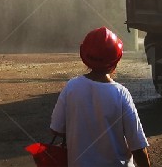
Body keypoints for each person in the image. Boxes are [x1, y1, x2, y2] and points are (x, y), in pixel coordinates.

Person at [50, 27, 151, 167]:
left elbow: (56, 129)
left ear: (84, 57)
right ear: (116, 61)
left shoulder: (71, 87)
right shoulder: (121, 94)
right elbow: (137, 145)